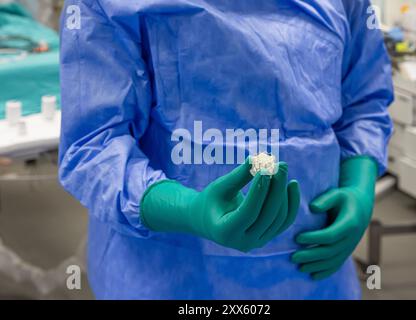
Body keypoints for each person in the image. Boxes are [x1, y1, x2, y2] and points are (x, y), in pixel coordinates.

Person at [59, 0, 393, 299]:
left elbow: (363, 97)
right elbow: (93, 144)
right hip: (171, 276)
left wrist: (359, 186)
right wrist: (188, 210)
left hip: (312, 267)